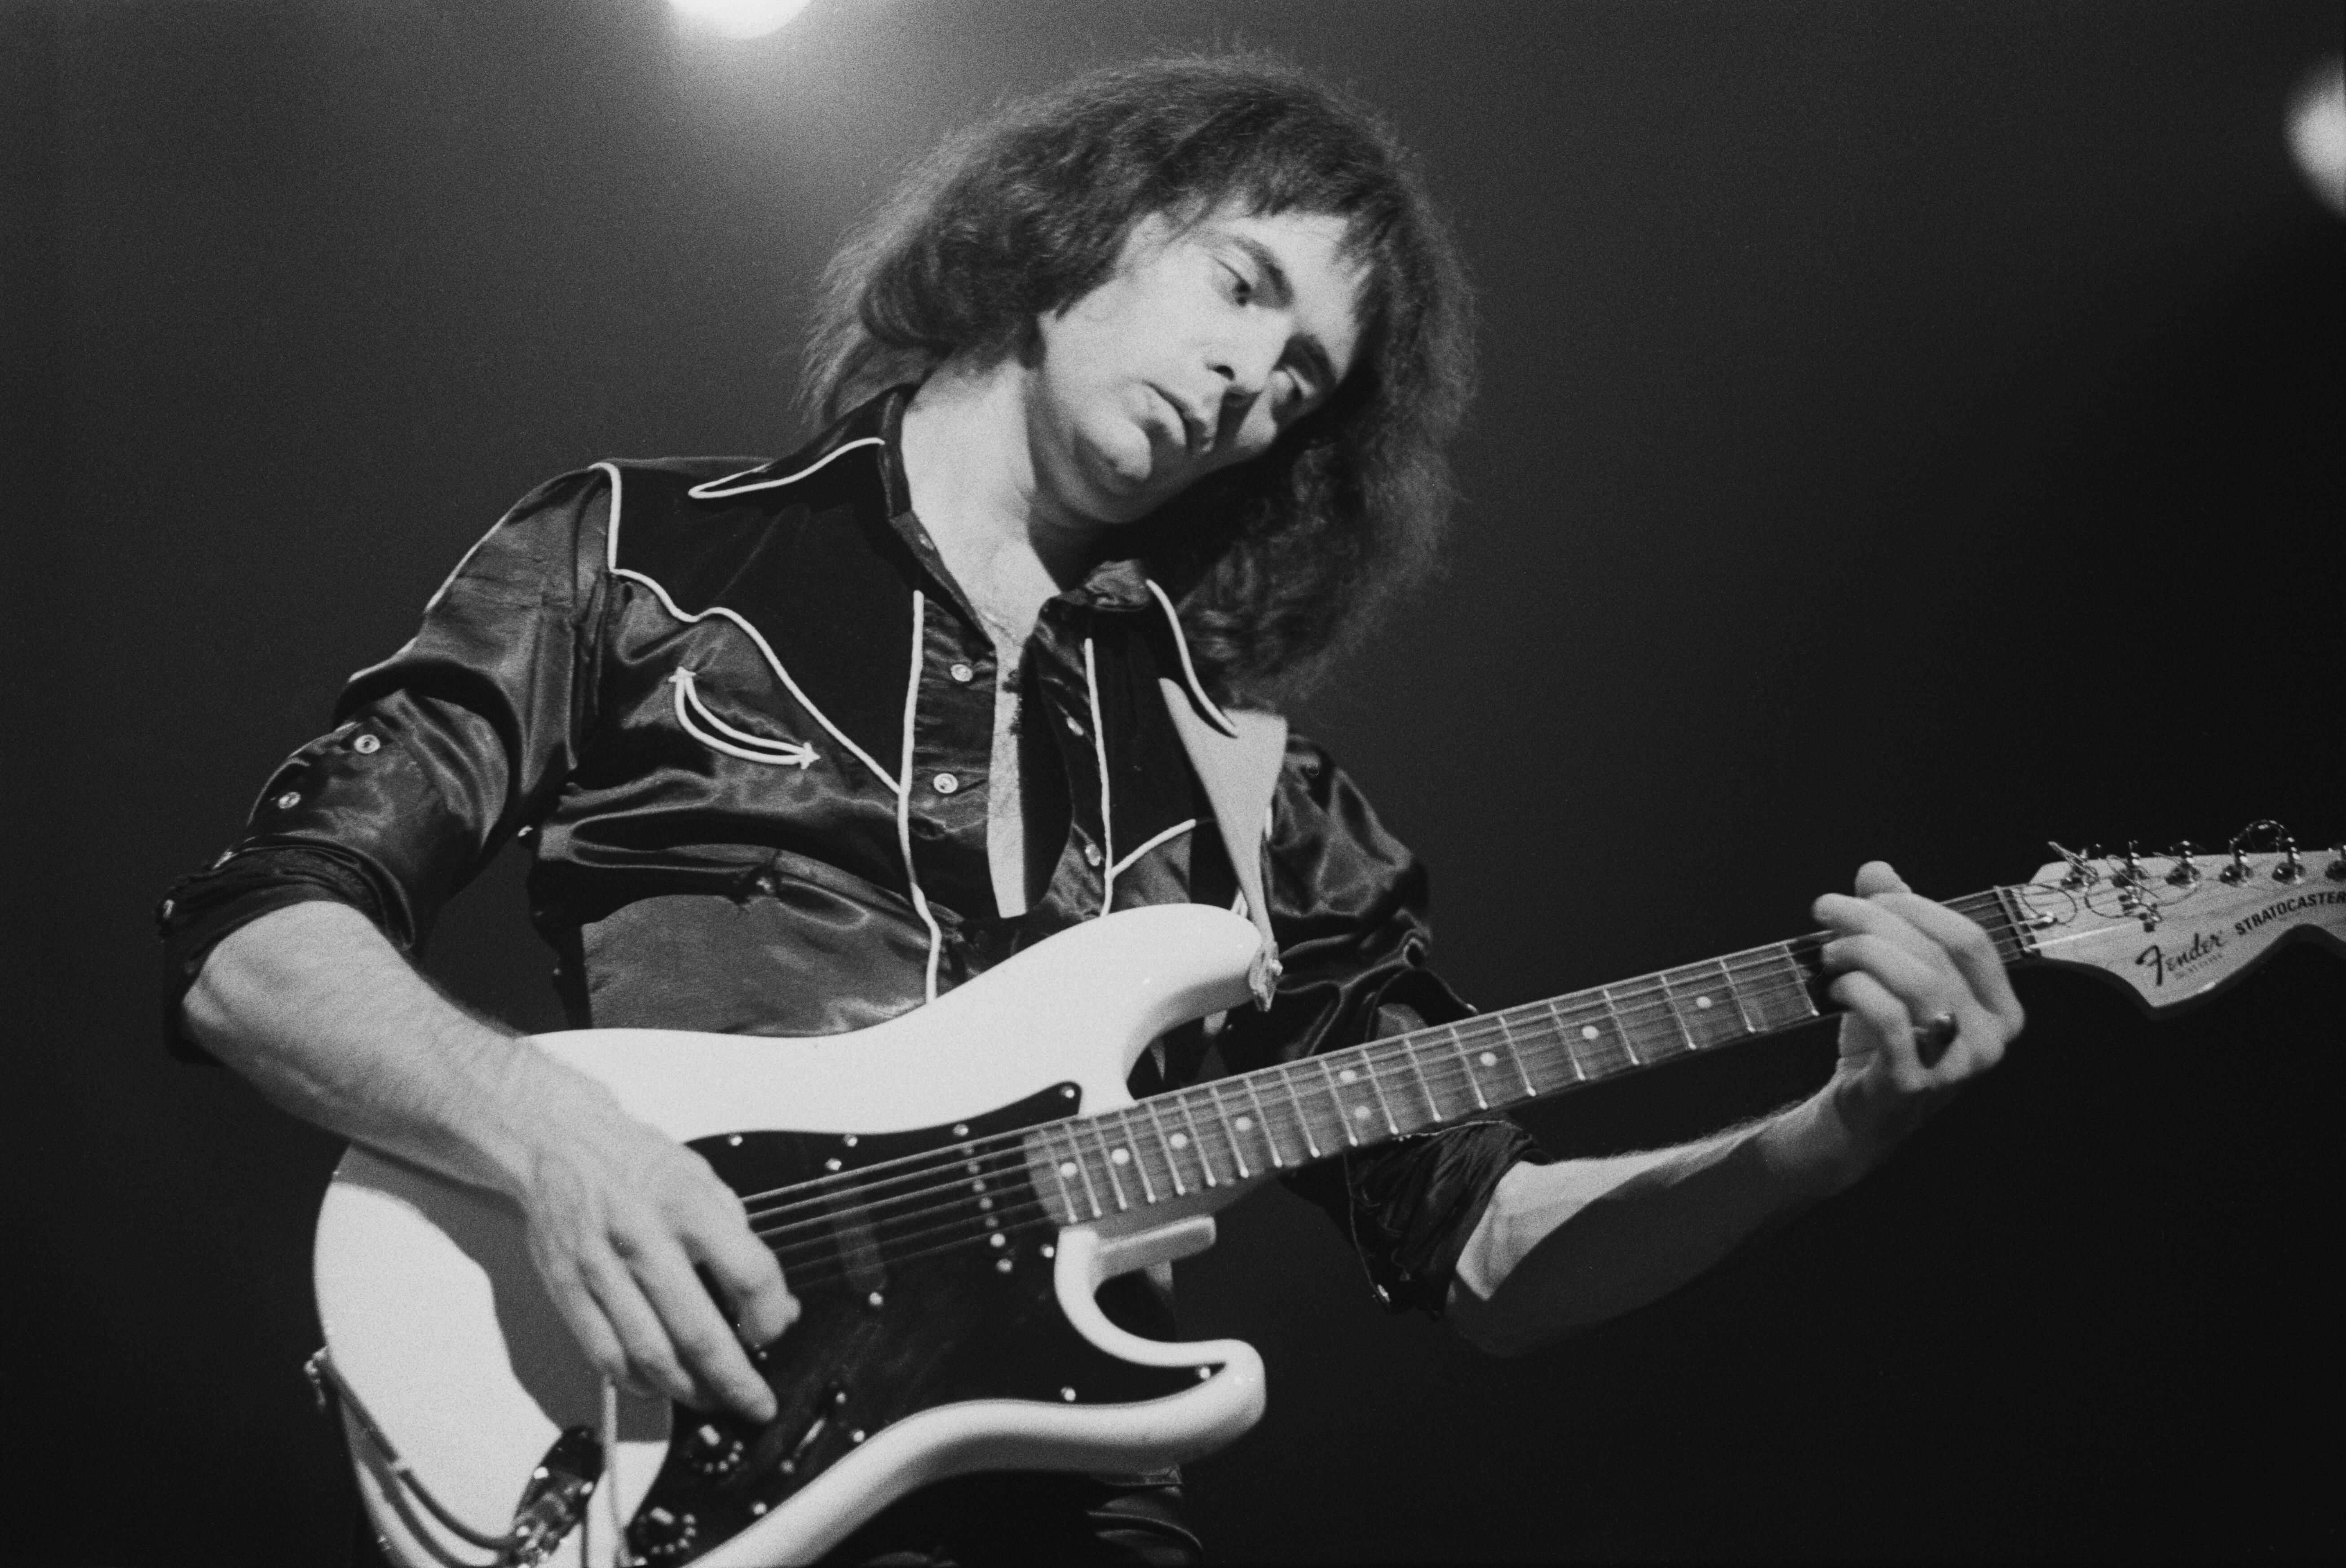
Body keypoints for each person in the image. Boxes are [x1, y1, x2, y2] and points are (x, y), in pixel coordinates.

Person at [158, 56, 2024, 1566]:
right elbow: (260, 945)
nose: (1253, 384)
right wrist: (555, 1143)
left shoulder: (1253, 788)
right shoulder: (640, 558)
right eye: (1244, 288)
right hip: (666, 1432)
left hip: (1066, 1511)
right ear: (1086, 224)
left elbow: (1489, 1248)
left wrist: (1821, 1138)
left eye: (1303, 383)